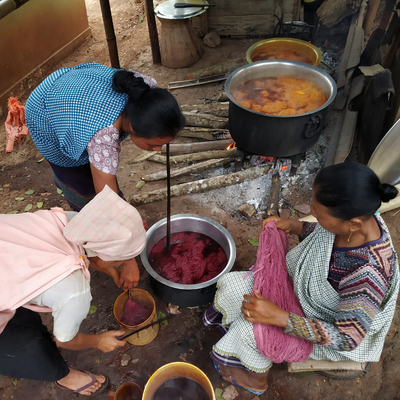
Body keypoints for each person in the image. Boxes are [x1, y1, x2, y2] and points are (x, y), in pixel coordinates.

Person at [203, 162, 400, 395]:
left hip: (325, 325)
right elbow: (325, 234)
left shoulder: (367, 275)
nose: (312, 213)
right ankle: (232, 334)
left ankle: (256, 380)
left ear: (353, 224)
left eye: (319, 212)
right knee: (233, 286)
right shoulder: (356, 220)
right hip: (306, 293)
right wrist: (295, 226)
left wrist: (280, 317)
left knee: (250, 332)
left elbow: (347, 338)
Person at [0, 186, 147, 396]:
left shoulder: (71, 221)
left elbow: (82, 252)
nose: (119, 265)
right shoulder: (74, 292)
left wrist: (114, 273)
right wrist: (100, 340)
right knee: (21, 344)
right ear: (106, 258)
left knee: (23, 315)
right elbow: (64, 340)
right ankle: (63, 376)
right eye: (120, 262)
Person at [25, 62, 186, 211]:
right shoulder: (103, 137)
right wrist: (124, 220)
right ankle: (84, 210)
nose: (157, 150)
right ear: (132, 127)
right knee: (80, 181)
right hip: (43, 109)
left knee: (101, 168)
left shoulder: (145, 90)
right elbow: (108, 199)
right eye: (152, 145)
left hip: (74, 89)